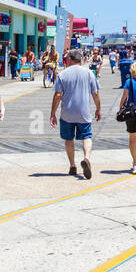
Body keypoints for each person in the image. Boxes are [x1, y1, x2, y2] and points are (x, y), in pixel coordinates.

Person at [50, 48, 100, 178]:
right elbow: (95, 94)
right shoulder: (89, 73)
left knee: (68, 139)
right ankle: (87, 158)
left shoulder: (63, 74)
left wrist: (52, 113)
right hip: (84, 112)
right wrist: (98, 109)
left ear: (70, 59)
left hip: (67, 113)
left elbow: (57, 95)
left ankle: (72, 166)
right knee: (87, 137)